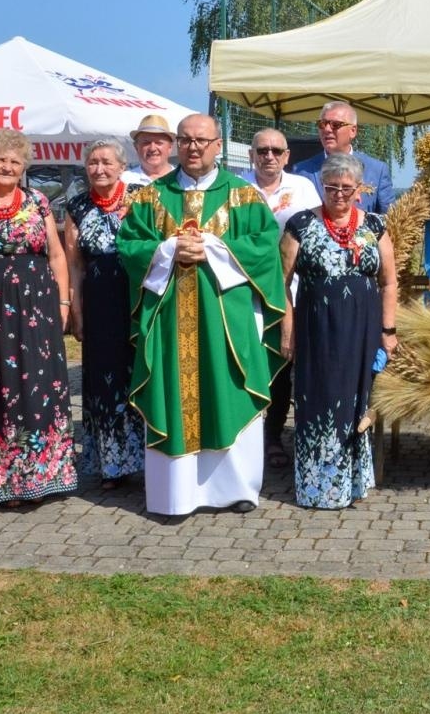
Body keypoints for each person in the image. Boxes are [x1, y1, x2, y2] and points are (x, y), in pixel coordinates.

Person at [117, 113, 286, 515]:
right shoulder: (149, 197)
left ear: (218, 146)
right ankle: (176, 495)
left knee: (228, 388)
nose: (194, 147)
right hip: (170, 317)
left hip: (226, 319)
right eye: (186, 140)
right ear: (177, 144)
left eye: (202, 140)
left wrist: (211, 247)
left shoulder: (244, 196)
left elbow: (264, 249)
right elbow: (129, 246)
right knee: (173, 392)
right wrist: (168, 250)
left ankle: (235, 489)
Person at [0, 129, 79, 506]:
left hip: (38, 311)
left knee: (38, 388)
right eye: (0, 159)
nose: (8, 166)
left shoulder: (39, 201)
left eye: (15, 160)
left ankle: (42, 475)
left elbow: (56, 255)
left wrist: (62, 304)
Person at [279, 153, 398, 508]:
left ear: (359, 189)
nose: (339, 194)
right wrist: (288, 331)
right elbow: (281, 283)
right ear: (322, 187)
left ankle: (353, 482)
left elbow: (389, 282)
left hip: (362, 328)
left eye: (347, 187)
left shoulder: (375, 225)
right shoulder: (300, 224)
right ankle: (318, 486)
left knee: (357, 401)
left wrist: (388, 331)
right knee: (318, 398)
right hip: (317, 326)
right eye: (332, 187)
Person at [63, 138, 146, 491]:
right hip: (98, 306)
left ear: (122, 166)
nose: (99, 169)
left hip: (137, 302)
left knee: (140, 377)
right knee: (102, 383)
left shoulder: (142, 197)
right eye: (93, 162)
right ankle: (112, 466)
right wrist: (77, 313)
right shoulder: (77, 206)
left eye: (106, 162)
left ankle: (147, 458)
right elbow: (74, 266)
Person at [241, 127, 322, 470]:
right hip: (242, 289)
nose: (269, 156)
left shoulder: (302, 187)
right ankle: (242, 435)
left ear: (287, 156)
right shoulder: (237, 187)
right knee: (243, 360)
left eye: (276, 150)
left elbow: (316, 231)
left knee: (281, 361)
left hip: (289, 289)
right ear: (251, 155)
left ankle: (273, 436)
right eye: (262, 150)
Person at [289, 101, 394, 213]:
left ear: (353, 131)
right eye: (322, 124)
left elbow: (389, 219)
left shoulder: (377, 171)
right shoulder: (302, 171)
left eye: (335, 125)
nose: (327, 129)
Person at [122, 113, 175, 189]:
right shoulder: (124, 180)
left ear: (170, 147)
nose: (152, 148)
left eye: (158, 143)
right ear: (136, 147)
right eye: (146, 143)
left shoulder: (182, 179)